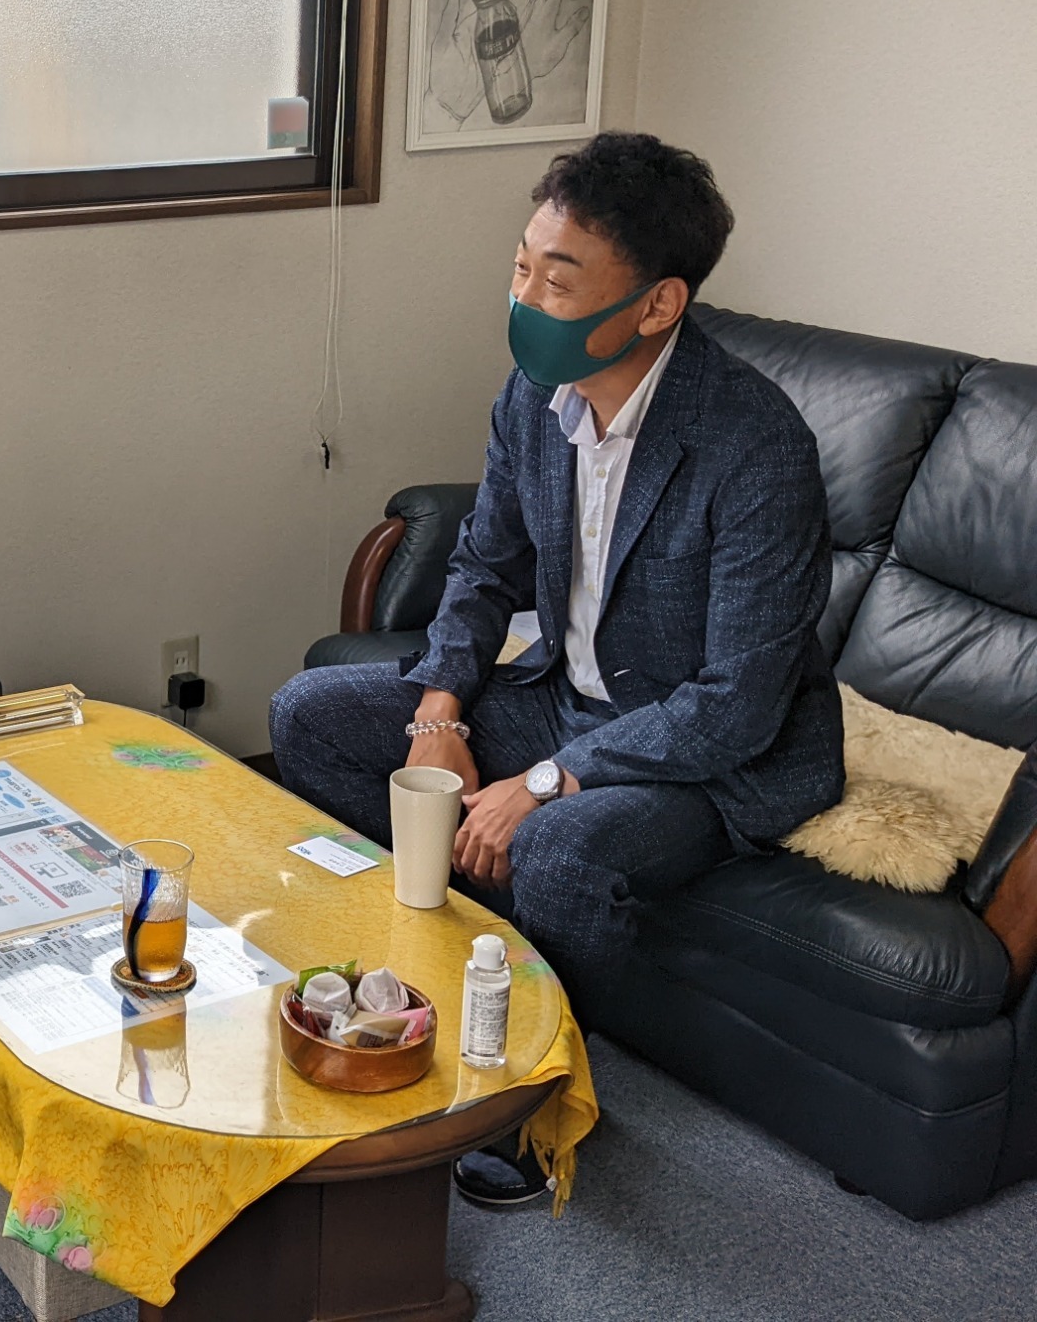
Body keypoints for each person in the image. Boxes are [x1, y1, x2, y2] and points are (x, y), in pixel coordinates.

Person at [269, 132, 843, 1205]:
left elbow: (735, 704)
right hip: (564, 696)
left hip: (708, 752)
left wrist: (539, 784)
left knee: (561, 850)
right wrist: (439, 707)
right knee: (310, 714)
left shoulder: (754, 445)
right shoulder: (534, 396)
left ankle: (531, 1104)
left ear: (657, 304)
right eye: (522, 266)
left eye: (558, 279)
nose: (525, 297)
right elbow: (483, 566)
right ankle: (434, 981)